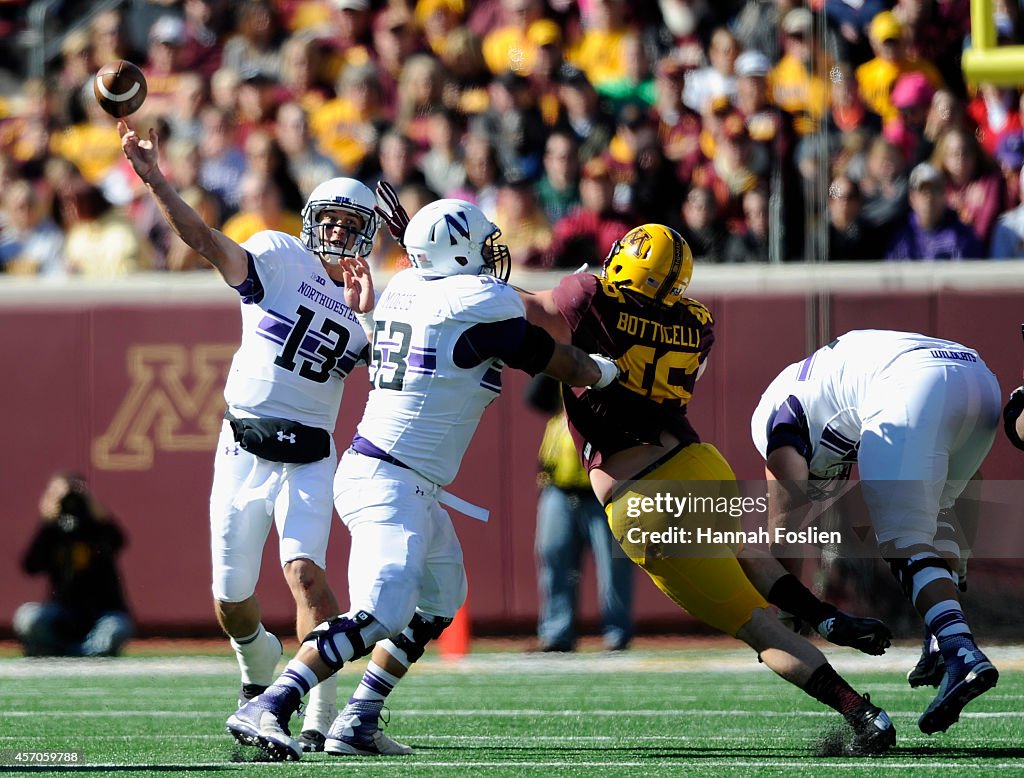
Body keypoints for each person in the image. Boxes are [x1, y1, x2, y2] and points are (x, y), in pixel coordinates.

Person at [224, 195, 621, 761]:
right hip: (389, 480)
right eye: (481, 244)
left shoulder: (409, 286)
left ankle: (358, 719)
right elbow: (561, 361)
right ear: (458, 250)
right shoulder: (476, 300)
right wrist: (609, 372)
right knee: (382, 612)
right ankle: (270, 704)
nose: (492, 255)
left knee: (440, 599)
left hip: (403, 477)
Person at [519, 224, 895, 756]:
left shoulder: (589, 299)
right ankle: (825, 614)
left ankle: (862, 713)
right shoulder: (697, 322)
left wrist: (457, 274)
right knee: (748, 553)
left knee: (759, 628)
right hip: (699, 463)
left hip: (642, 497)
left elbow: (523, 308)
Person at [120, 121, 380, 750]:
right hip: (243, 447)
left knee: (306, 577)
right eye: (334, 219)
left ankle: (317, 718)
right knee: (232, 604)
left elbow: (399, 373)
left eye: (354, 223)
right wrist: (156, 179)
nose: (341, 232)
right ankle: (255, 667)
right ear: (314, 218)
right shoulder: (280, 256)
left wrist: (374, 316)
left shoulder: (372, 300)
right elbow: (205, 240)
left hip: (311, 455)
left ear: (368, 235)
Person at [751, 329, 1001, 735]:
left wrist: (788, 608)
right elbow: (967, 485)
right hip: (978, 376)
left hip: (911, 383)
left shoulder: (774, 420)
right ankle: (942, 641)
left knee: (903, 541)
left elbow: (785, 521)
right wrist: (960, 562)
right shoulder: (829, 387)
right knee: (933, 516)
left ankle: (960, 652)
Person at [526, 375, 633, 653]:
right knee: (554, 562)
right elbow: (534, 396)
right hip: (559, 488)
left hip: (604, 491)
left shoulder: (613, 383)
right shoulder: (563, 383)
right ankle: (556, 633)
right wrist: (556, 363)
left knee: (613, 567)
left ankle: (616, 634)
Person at [14, 471, 134, 657]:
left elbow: (118, 542)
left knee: (116, 628)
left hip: (102, 612)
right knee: (27, 617)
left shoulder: (97, 526)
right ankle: (77, 653)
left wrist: (99, 515)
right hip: (63, 613)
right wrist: (46, 524)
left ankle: (66, 653)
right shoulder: (52, 531)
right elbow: (31, 566)